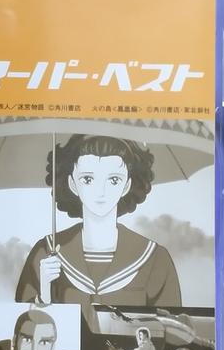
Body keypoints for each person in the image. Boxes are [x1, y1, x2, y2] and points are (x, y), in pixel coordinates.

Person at [15, 134, 180, 318]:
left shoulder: (155, 258)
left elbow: (173, 327)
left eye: (114, 180)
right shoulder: (46, 252)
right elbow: (24, 324)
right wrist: (44, 293)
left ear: (127, 185)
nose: (100, 191)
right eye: (87, 179)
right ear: (72, 183)